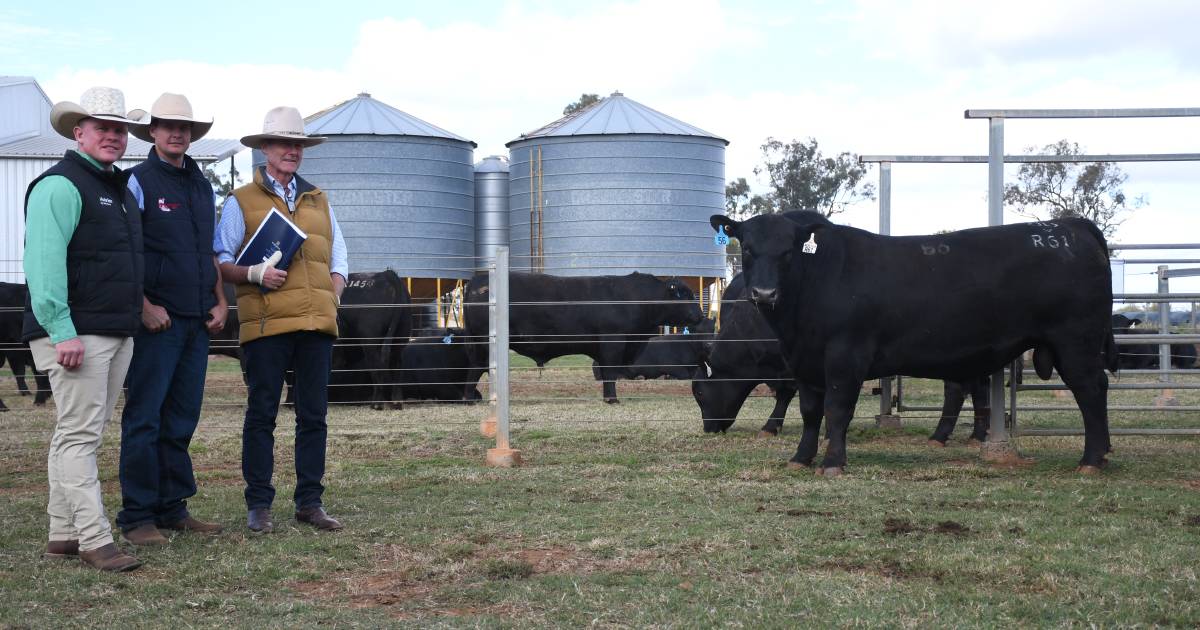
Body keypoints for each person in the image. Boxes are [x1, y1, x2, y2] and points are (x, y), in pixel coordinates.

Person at [23, 87, 147, 572]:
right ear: (79, 133)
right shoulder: (60, 186)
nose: (113, 137)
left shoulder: (114, 188)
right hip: (78, 332)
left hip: (112, 328)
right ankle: (96, 540)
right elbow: (43, 263)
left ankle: (62, 533)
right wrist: (61, 329)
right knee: (80, 437)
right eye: (103, 128)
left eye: (119, 129)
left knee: (73, 433)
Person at [214, 106, 347, 533]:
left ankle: (310, 502)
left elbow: (340, 255)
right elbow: (221, 260)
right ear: (265, 148)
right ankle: (259, 504)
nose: (292, 151)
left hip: (315, 324)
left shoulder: (319, 199)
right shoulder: (240, 201)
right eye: (283, 143)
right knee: (262, 414)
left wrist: (332, 293)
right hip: (267, 324)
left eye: (298, 144)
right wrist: (253, 274)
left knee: (314, 415)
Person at [115, 93, 227, 546]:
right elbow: (126, 250)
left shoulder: (202, 186)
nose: (177, 132)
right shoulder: (136, 182)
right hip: (156, 321)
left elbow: (211, 252)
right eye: (167, 125)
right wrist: (143, 305)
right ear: (153, 133)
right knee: (145, 416)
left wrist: (220, 301)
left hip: (196, 319)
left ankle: (173, 507)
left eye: (185, 127)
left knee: (181, 417)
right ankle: (137, 515)